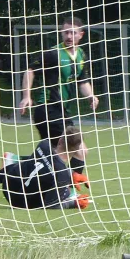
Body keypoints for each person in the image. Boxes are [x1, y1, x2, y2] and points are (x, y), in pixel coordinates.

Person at [18, 17, 99, 175]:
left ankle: (13, 162)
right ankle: (69, 190)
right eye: (66, 32)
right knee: (80, 151)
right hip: (48, 109)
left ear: (81, 35)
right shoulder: (53, 53)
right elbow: (30, 70)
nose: (69, 36)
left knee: (51, 155)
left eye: (73, 33)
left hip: (62, 111)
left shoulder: (81, 55)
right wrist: (26, 96)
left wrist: (90, 96)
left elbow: (82, 81)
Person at [0, 126, 90, 210]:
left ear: (60, 140)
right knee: (64, 192)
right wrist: (73, 204)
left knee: (20, 167)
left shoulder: (43, 145)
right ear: (76, 150)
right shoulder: (62, 175)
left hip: (8, 187)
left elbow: (46, 167)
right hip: (23, 204)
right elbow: (51, 205)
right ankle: (70, 195)